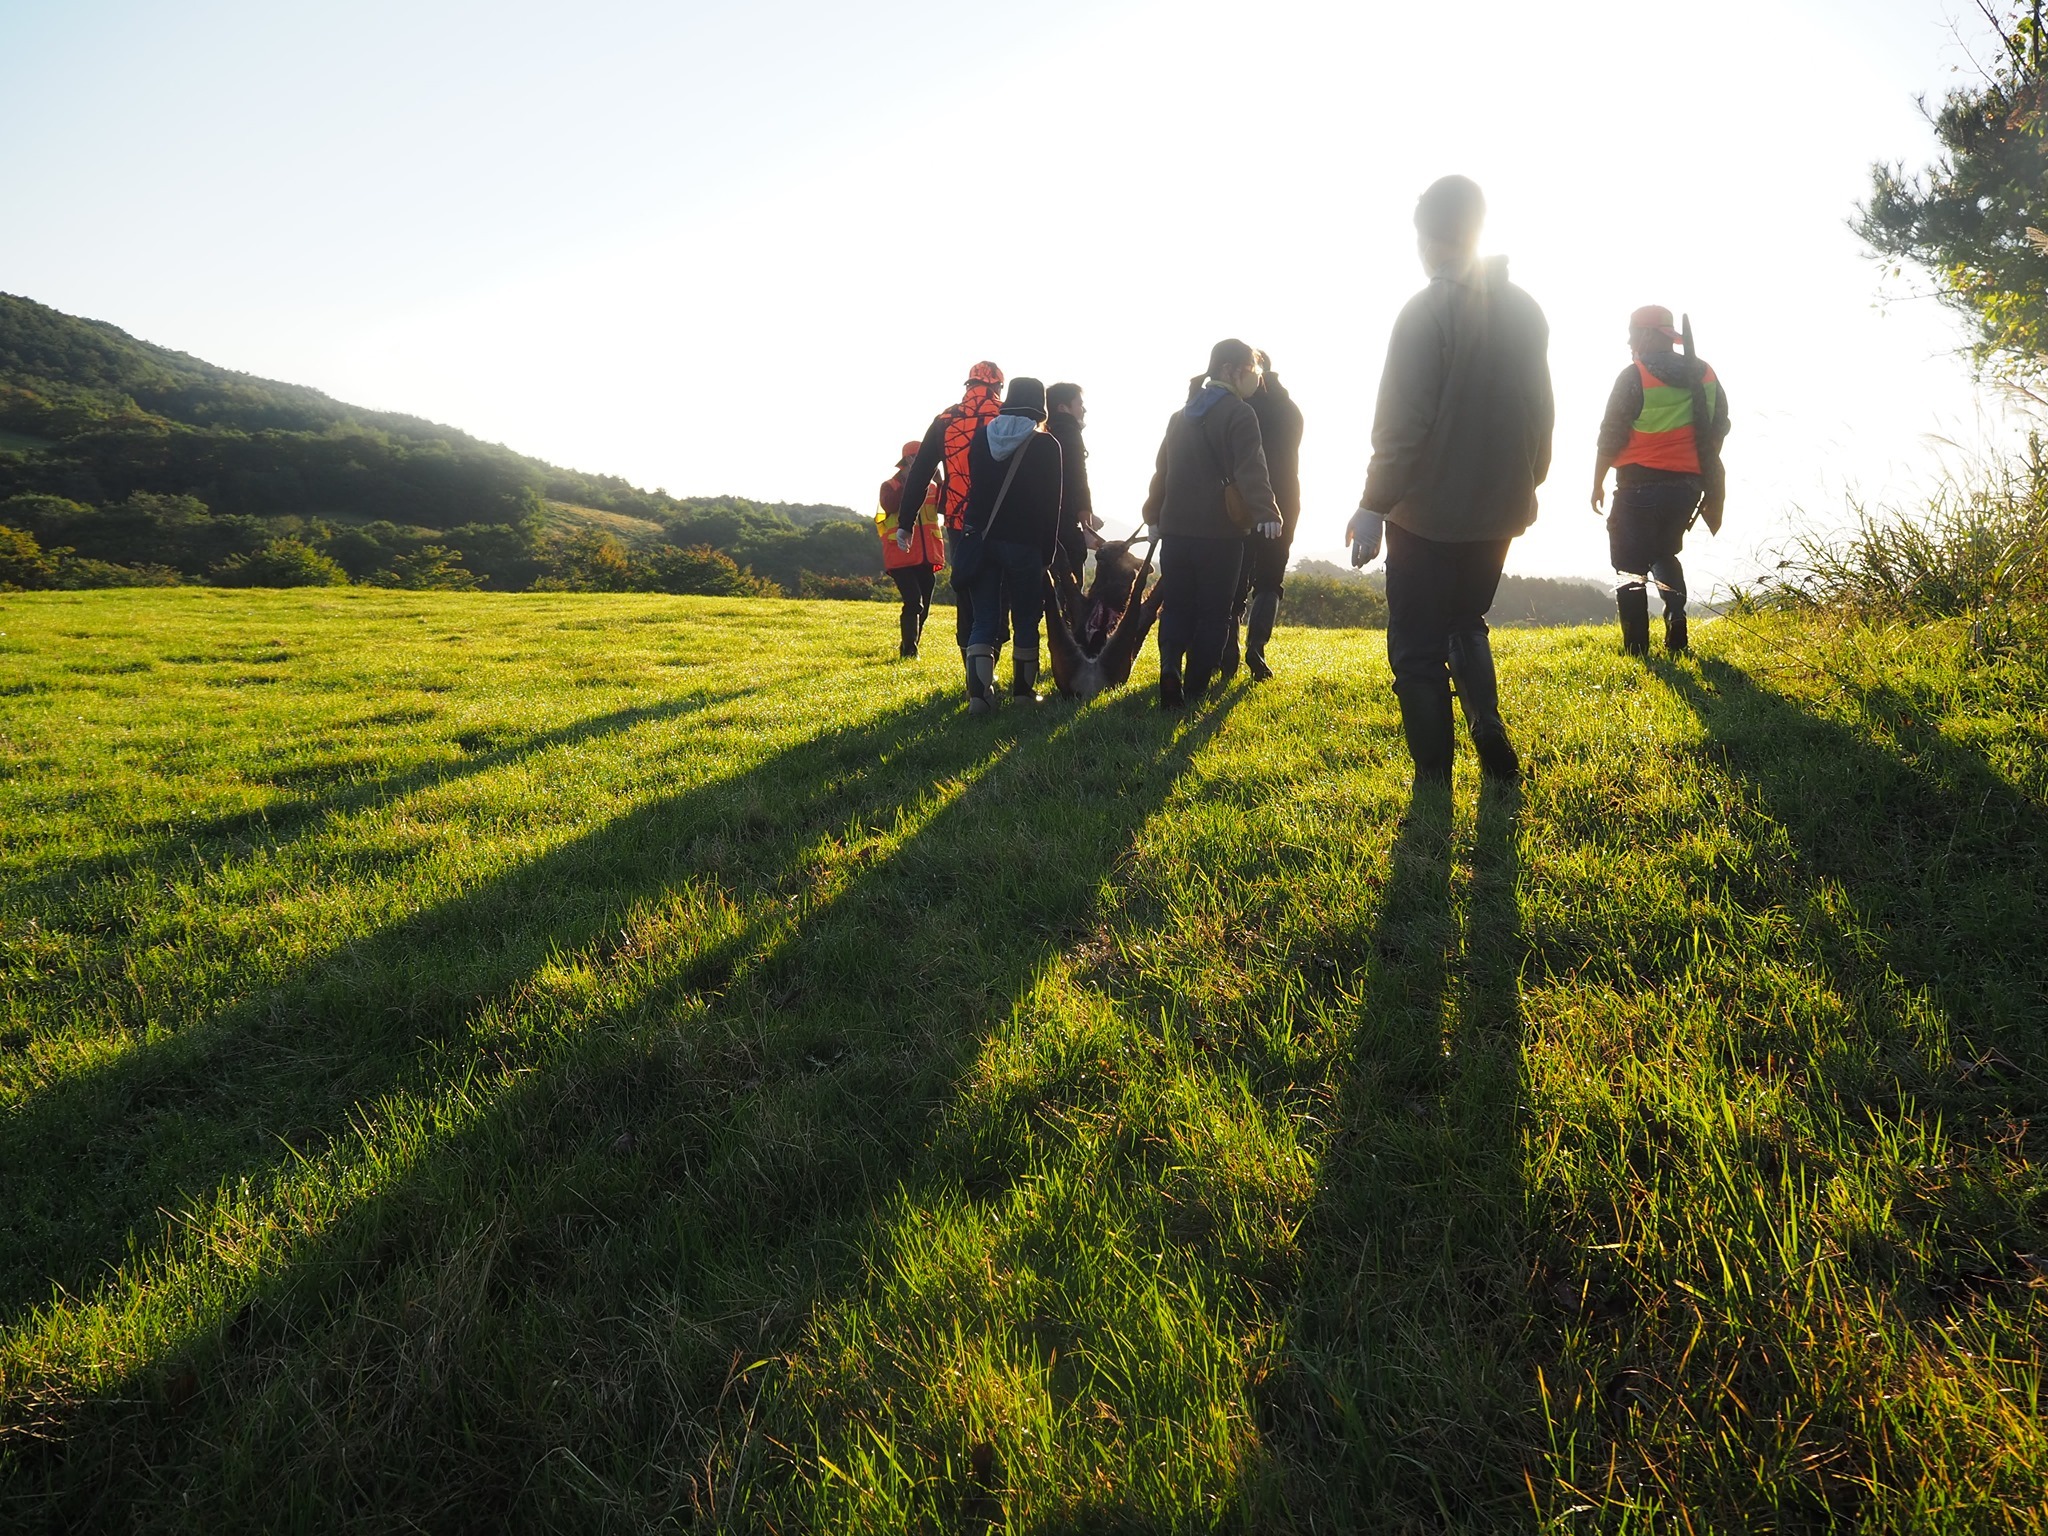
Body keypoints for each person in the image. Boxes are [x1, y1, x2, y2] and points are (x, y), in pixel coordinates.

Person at [1347, 175, 1554, 787]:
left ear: (1425, 237)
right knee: (1467, 620)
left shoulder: (1426, 310)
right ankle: (1486, 724)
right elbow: (1542, 413)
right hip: (1500, 506)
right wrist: (1526, 480)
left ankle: (1433, 778)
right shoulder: (1525, 309)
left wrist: (1373, 505)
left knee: (1415, 646)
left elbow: (1401, 427)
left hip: (1425, 512)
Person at [1141, 339, 1283, 705]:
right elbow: (1251, 466)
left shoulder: (1180, 415)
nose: (1254, 378)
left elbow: (1162, 472)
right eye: (1251, 371)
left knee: (1177, 606)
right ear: (1229, 371)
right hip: (1220, 534)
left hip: (1175, 530)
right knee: (1214, 612)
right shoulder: (1240, 413)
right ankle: (1196, 686)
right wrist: (1267, 512)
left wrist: (1152, 515)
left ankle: (1170, 667)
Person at [1590, 306, 1730, 655]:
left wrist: (1597, 481)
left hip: (1639, 484)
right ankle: (1676, 617)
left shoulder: (1633, 375)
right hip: (1688, 486)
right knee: (1664, 552)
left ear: (1650, 335)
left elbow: (1610, 435)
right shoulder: (1706, 373)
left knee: (1628, 565)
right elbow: (1720, 425)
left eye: (1633, 332)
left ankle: (1637, 648)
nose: (1629, 340)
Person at [897, 362, 1006, 694]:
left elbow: (920, 474)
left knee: (967, 591)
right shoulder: (1008, 416)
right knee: (1000, 594)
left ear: (967, 384)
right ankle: (991, 669)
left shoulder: (945, 419)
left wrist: (905, 523)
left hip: (960, 522)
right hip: (1003, 520)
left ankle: (972, 675)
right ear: (999, 386)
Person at [959, 377, 1064, 713]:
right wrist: (1047, 552)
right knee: (1026, 618)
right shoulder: (1047, 446)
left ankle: (980, 696)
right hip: (1025, 543)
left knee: (984, 618)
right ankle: (1023, 693)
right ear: (1039, 406)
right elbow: (1052, 506)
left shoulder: (979, 438)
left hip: (982, 539)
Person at [1226, 350, 1304, 682]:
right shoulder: (1291, 410)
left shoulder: (1242, 408)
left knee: (1235, 577)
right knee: (1270, 580)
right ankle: (1256, 648)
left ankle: (1227, 648)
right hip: (1286, 500)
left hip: (1244, 502)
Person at [876, 440, 945, 658]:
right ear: (907, 460)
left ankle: (912, 646)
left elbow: (945, 506)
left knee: (922, 606)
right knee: (913, 601)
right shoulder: (890, 486)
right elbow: (890, 505)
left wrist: (941, 482)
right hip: (900, 556)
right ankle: (908, 651)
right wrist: (911, 482)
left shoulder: (934, 488)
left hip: (926, 556)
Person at [1044, 381, 1102, 580]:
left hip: (1042, 523)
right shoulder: (1070, 433)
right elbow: (1078, 478)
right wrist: (1087, 522)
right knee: (1070, 586)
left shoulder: (1044, 434)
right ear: (1063, 408)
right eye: (1079, 403)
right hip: (1066, 521)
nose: (1083, 409)